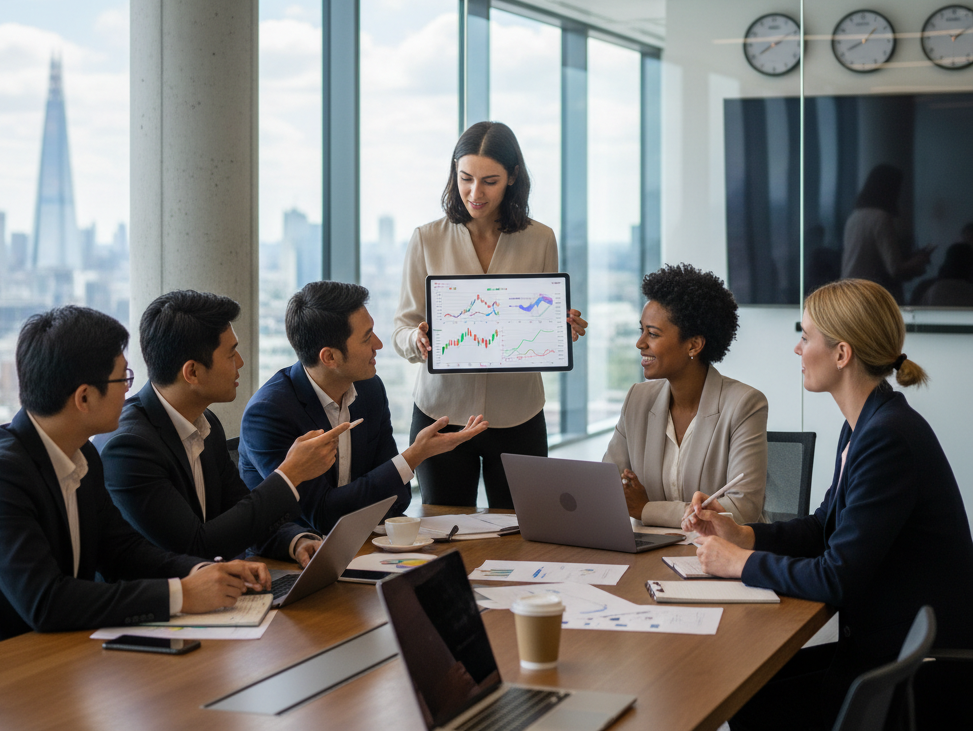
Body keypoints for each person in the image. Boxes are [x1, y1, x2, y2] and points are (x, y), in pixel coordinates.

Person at [684, 278, 973, 730]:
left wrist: (739, 563)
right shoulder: (868, 422)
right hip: (880, 649)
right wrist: (744, 534)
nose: (798, 350)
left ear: (842, 355)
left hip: (912, 675)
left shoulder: (887, 437)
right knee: (742, 692)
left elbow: (837, 576)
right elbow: (824, 527)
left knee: (742, 697)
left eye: (805, 336)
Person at [0, 306, 271, 658]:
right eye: (124, 380)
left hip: (59, 653)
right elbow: (46, 601)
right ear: (84, 397)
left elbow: (122, 551)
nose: (129, 392)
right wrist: (182, 595)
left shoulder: (82, 454)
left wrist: (204, 571)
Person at [392, 121, 587, 507]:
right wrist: (417, 339)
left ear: (513, 177)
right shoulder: (426, 238)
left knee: (523, 530)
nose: (474, 193)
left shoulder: (540, 239)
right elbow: (402, 327)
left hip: (518, 413)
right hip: (441, 413)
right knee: (444, 531)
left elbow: (542, 317)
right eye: (465, 178)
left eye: (490, 181)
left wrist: (559, 329)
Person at [101, 290, 348, 567]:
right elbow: (197, 546)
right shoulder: (130, 447)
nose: (240, 362)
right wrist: (290, 473)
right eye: (231, 354)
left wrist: (297, 541)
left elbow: (242, 515)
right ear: (192, 372)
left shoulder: (206, 423)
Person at [240, 281, 488, 535]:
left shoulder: (369, 389)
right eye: (367, 338)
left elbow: (397, 500)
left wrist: (385, 479)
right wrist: (413, 456)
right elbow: (324, 516)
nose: (379, 345)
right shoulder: (270, 413)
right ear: (330, 358)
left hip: (360, 543)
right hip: (290, 559)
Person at [603, 263, 768, 527]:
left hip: (721, 555)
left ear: (693, 345)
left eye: (653, 333)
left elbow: (741, 508)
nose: (640, 343)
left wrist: (647, 509)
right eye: (641, 330)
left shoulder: (744, 404)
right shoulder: (637, 399)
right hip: (651, 554)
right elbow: (606, 486)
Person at [840, 163, 934, 303]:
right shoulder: (881, 218)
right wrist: (920, 259)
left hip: (849, 293)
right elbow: (895, 268)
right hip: (870, 298)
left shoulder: (855, 216)